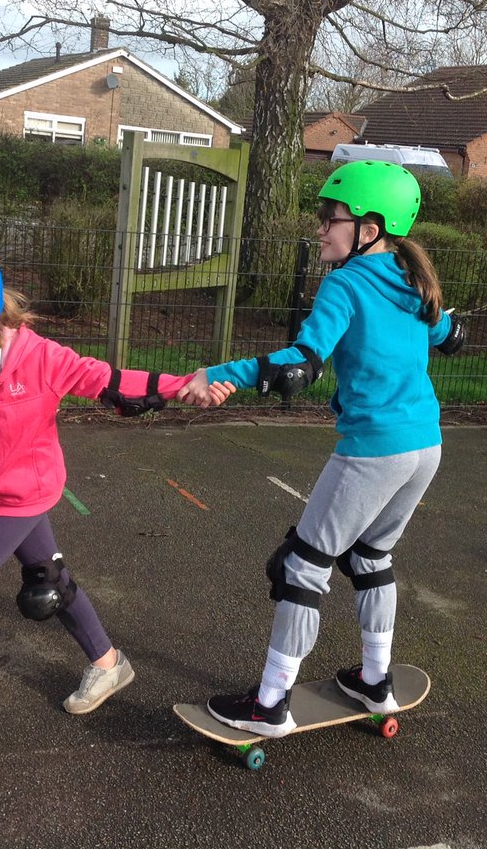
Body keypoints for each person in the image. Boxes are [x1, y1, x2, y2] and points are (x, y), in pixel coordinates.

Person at [0, 239, 230, 766]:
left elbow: (113, 381)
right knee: (47, 580)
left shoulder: (42, 359)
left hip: (29, 492)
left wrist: (187, 385)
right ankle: (109, 663)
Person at [178, 160, 465, 736]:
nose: (320, 229)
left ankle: (269, 705)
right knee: (370, 558)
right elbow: (448, 336)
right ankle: (375, 682)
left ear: (369, 229)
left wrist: (219, 372)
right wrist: (451, 328)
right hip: (425, 447)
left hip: (375, 449)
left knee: (302, 567)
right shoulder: (413, 283)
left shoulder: (346, 284)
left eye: (331, 219)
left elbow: (301, 364)